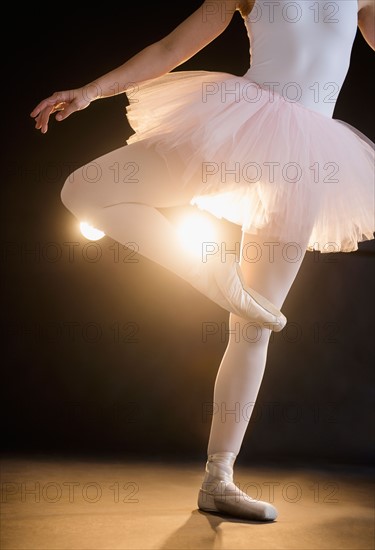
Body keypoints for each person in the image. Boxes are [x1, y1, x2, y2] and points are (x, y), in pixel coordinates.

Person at [31, 0, 374, 521]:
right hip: (241, 126)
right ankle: (211, 274)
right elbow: (171, 49)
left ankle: (219, 478)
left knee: (253, 324)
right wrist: (91, 91)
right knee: (87, 189)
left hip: (312, 157)